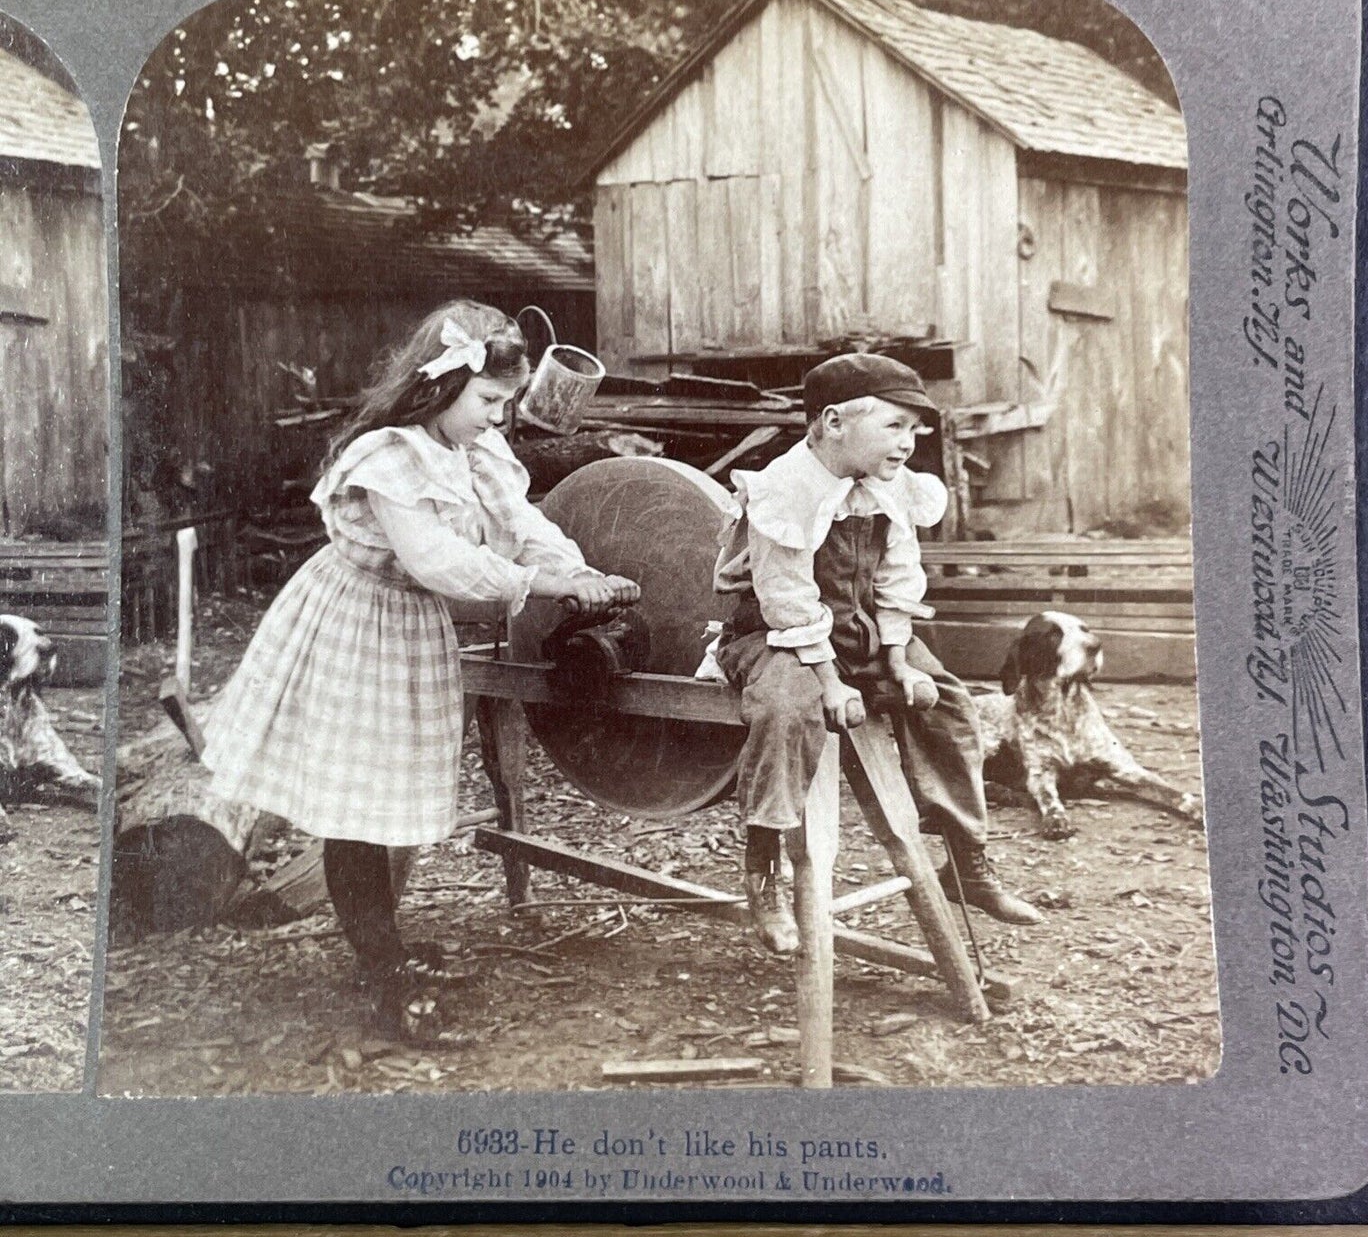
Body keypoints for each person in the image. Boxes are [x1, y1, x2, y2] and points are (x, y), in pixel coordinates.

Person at [202, 299, 639, 1037]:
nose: (498, 418)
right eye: (489, 401)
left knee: (388, 795)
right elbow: (436, 560)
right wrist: (545, 585)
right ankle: (381, 963)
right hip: (353, 622)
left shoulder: (477, 450)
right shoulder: (389, 455)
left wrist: (577, 569)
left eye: (506, 403)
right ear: (440, 386)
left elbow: (517, 521)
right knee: (356, 805)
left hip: (407, 629)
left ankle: (384, 943)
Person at [705, 353, 1041, 954]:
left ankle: (967, 861)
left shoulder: (888, 487)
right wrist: (832, 684)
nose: (909, 443)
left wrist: (898, 660)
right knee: (788, 707)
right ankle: (764, 872)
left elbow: (896, 574)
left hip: (856, 628)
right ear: (832, 422)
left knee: (951, 704)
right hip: (774, 633)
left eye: (915, 430)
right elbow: (787, 599)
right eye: (894, 426)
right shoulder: (784, 489)